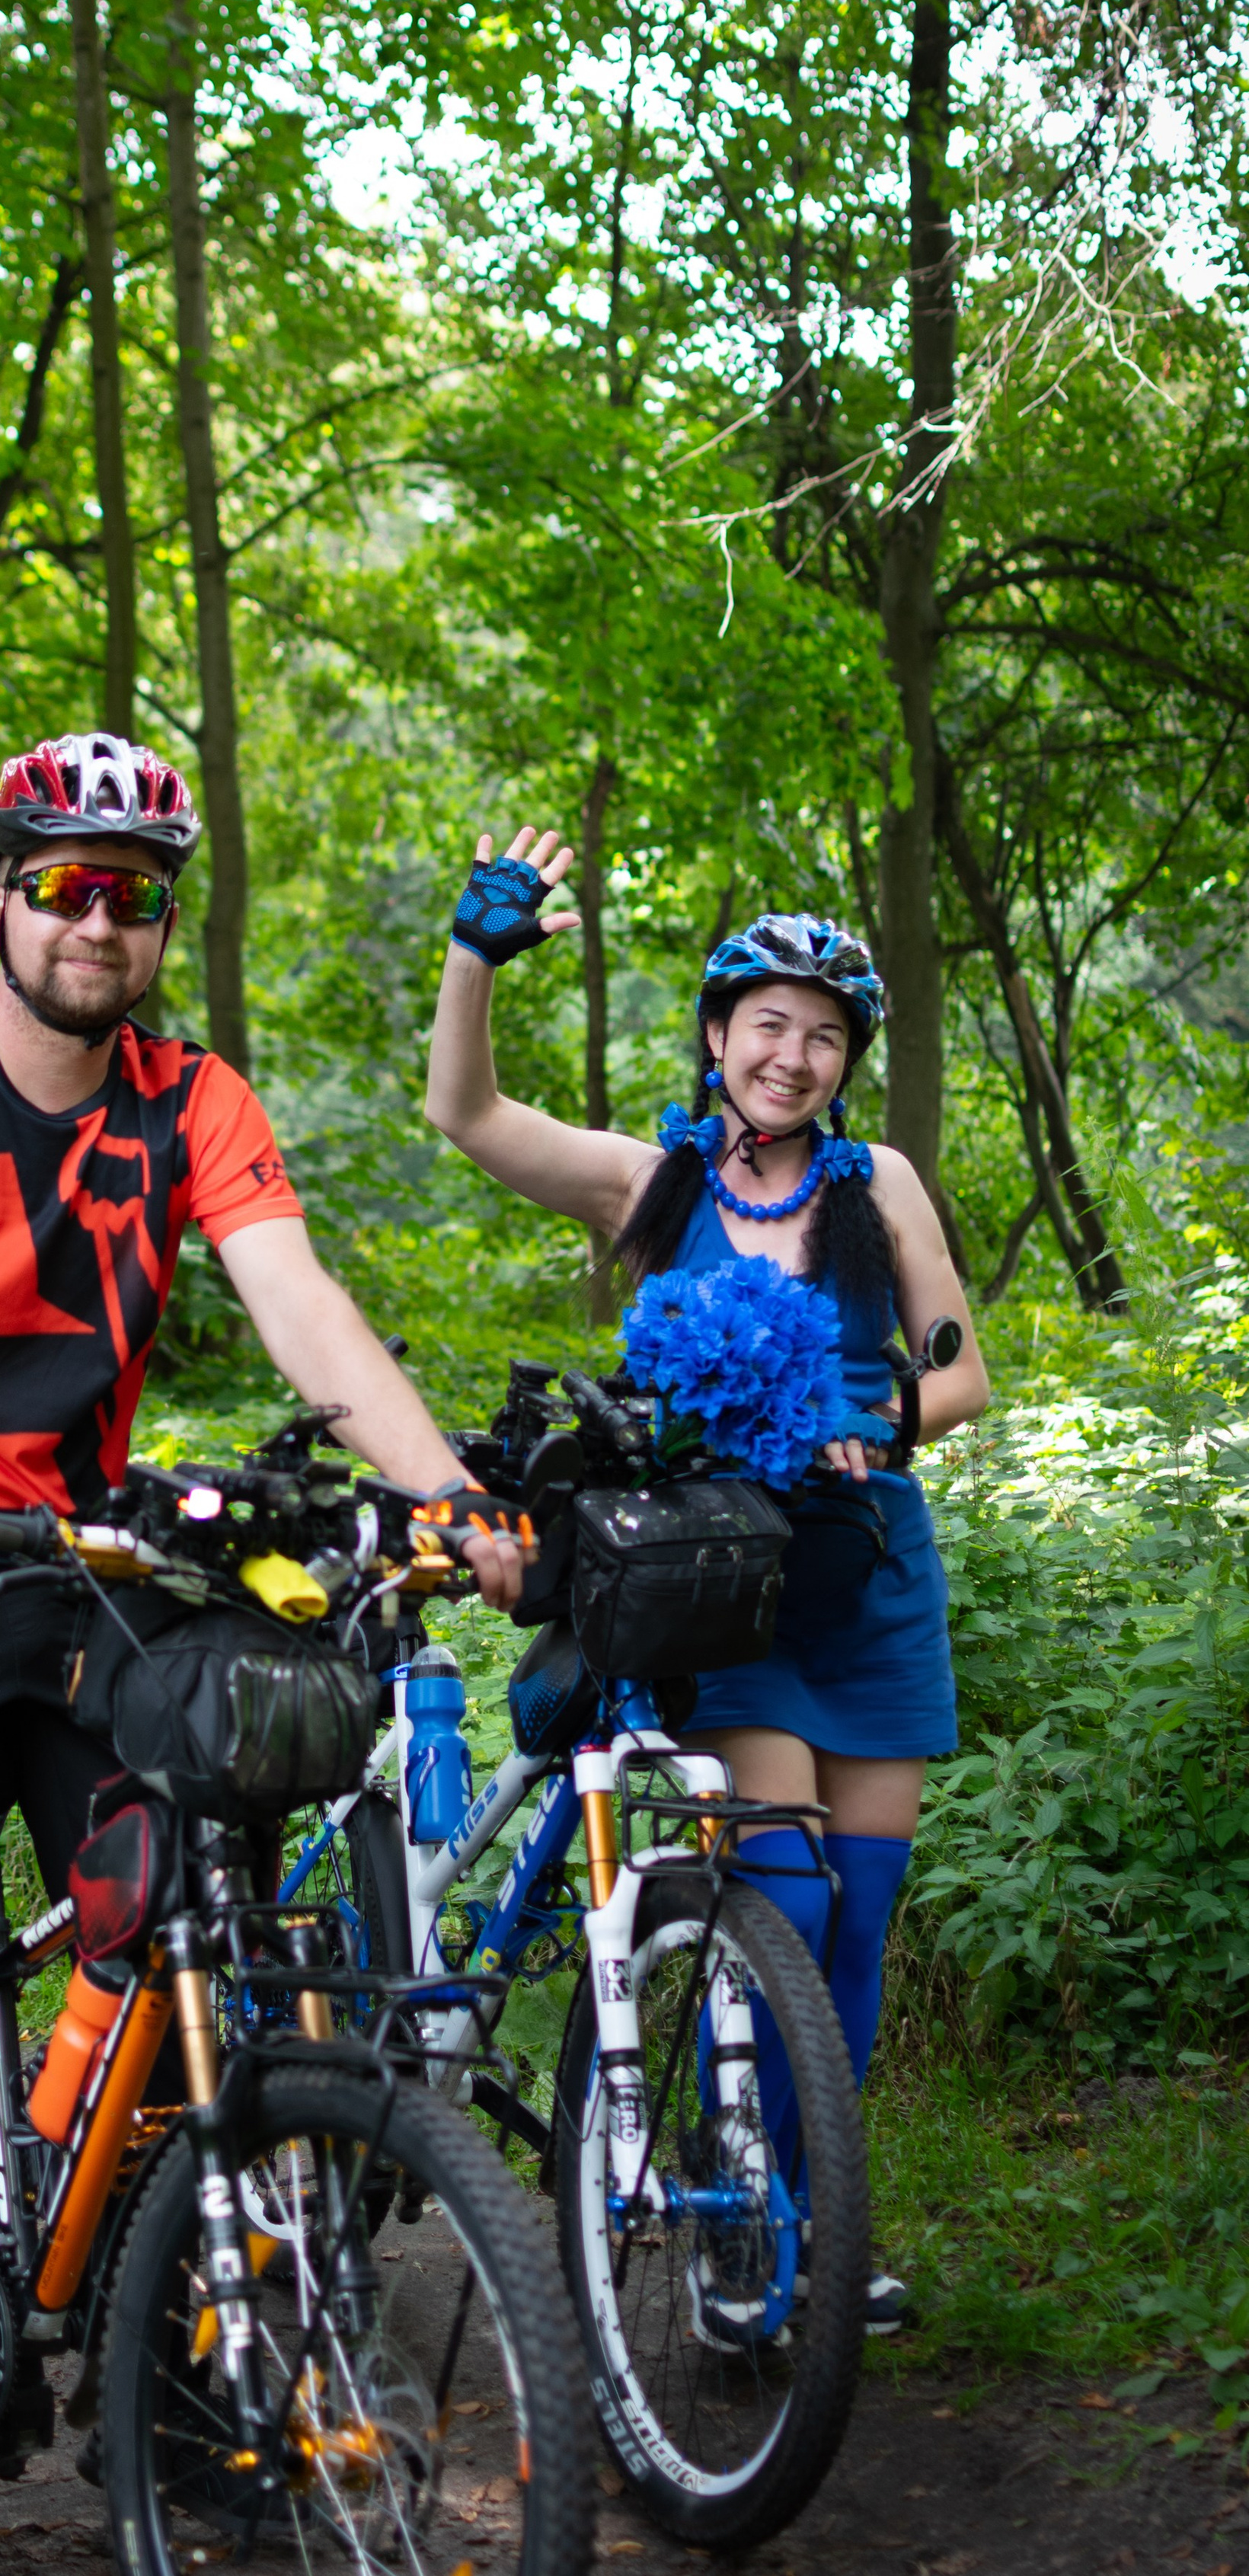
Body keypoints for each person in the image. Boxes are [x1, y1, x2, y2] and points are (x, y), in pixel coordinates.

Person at [0, 729, 525, 2548]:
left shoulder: (187, 1098)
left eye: (127, 894)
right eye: (55, 882)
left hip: (73, 1574)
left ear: (154, 927)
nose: (92, 918)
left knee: (202, 1916)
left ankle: (207, 2377)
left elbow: (298, 1302)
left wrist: (447, 1496)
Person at [428, 828, 992, 2335]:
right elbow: (465, 1114)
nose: (790, 1057)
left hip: (867, 1584)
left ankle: (802, 2219)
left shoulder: (881, 1189)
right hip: (723, 1594)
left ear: (841, 1062)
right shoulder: (654, 1182)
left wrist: (874, 1418)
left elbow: (957, 1369)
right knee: (786, 1903)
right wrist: (475, 955)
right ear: (713, 1036)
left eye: (820, 1037)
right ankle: (737, 2205)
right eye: (765, 1027)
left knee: (858, 1927)